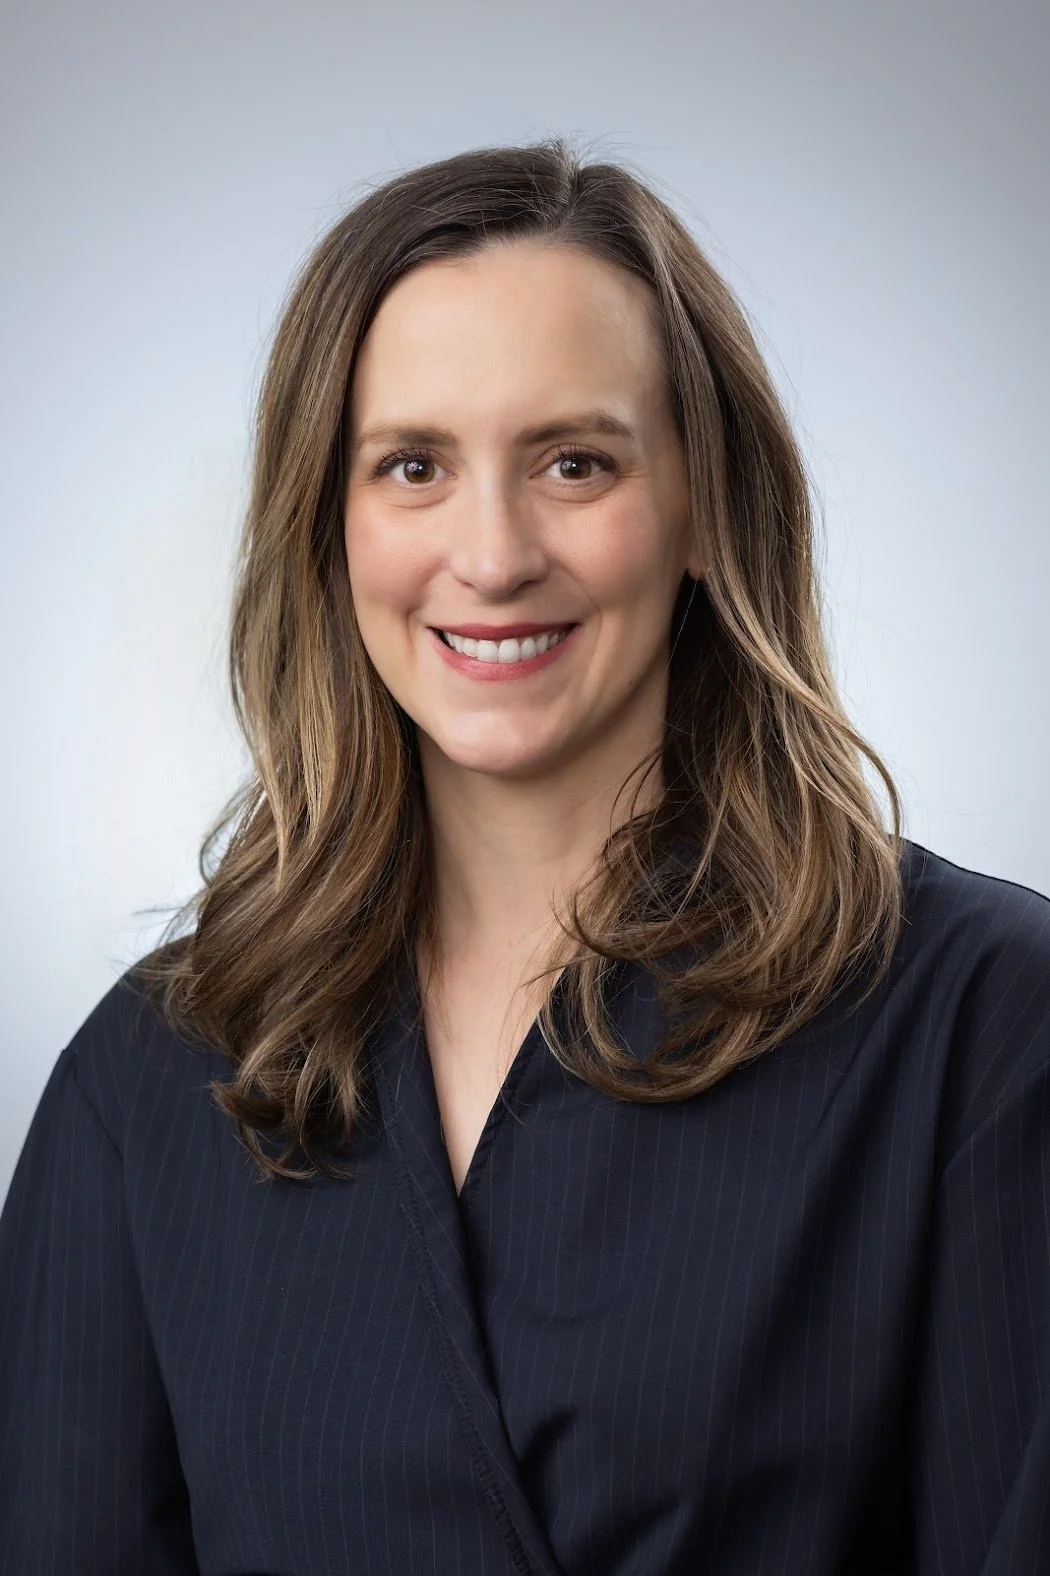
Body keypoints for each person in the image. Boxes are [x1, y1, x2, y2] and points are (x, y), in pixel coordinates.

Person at [1, 138, 1048, 1576]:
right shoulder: (147, 1083)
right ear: (331, 523)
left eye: (574, 462)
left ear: (700, 509)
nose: (490, 556)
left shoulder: (983, 1021)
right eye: (412, 466)